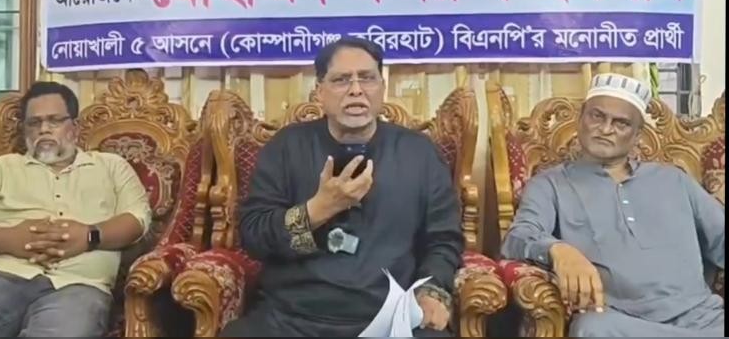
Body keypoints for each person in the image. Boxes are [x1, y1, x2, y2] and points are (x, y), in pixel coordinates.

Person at [220, 38, 464, 337]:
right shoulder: (286, 147)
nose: (356, 90)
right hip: (292, 317)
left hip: (390, 318)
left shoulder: (419, 153)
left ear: (382, 88)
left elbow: (443, 240)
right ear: (319, 92)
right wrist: (317, 210)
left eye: (367, 78)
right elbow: (254, 237)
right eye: (341, 80)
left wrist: (432, 290)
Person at [502, 73, 725, 337]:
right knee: (591, 329)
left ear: (637, 135)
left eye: (621, 123)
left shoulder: (674, 179)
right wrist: (557, 250)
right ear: (580, 119)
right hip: (622, 324)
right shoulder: (550, 184)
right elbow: (517, 237)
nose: (606, 129)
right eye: (597, 116)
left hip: (702, 320)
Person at [0, 82, 152, 337]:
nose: (44, 129)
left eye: (54, 120)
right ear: (25, 129)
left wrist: (89, 236)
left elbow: (138, 219)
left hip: (79, 284)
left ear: (75, 127)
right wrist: (12, 239)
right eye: (34, 123)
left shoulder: (111, 166)